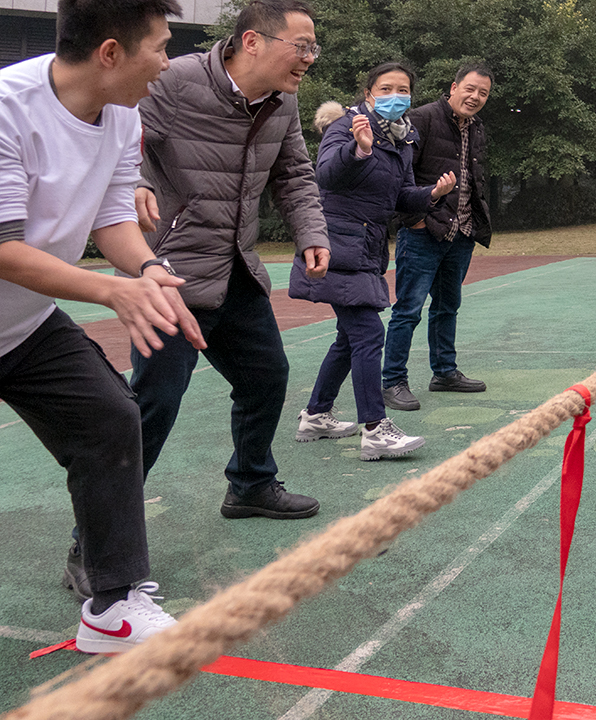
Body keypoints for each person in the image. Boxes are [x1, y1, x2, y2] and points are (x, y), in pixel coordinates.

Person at [0, 0, 207, 653]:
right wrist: (109, 291)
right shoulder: (8, 107)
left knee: (111, 418)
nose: (167, 63)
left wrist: (148, 270)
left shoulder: (124, 115)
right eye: (160, 46)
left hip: (21, 326)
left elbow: (113, 217)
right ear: (111, 52)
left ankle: (112, 603)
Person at [131, 0, 331, 522]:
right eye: (302, 45)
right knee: (154, 403)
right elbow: (118, 140)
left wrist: (311, 231)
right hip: (171, 273)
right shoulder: (174, 81)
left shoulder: (282, 101)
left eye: (314, 46)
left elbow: (294, 174)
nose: (310, 57)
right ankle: (100, 535)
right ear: (252, 42)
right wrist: (132, 183)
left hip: (238, 268)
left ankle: (250, 485)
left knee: (267, 376)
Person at [290, 62, 455, 457]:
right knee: (366, 334)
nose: (395, 95)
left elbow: (398, 198)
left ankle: (316, 415)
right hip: (334, 246)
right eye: (386, 88)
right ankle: (376, 428)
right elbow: (325, 174)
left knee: (349, 339)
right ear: (368, 94)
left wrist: (432, 194)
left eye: (403, 89)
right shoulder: (346, 127)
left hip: (366, 248)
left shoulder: (402, 139)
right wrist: (358, 149)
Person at [381, 63, 494, 411]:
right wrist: (413, 220)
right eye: (470, 89)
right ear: (454, 86)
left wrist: (472, 224)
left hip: (460, 232)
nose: (475, 97)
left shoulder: (477, 130)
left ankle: (444, 372)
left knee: (448, 306)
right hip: (423, 232)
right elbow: (399, 173)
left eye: (483, 93)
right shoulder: (423, 118)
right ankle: (392, 381)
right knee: (408, 309)